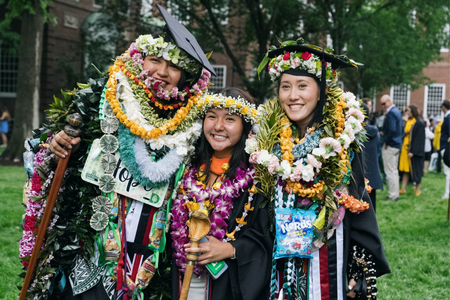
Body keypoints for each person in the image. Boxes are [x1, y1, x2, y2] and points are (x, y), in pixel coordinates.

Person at [20, 5, 215, 299]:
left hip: (150, 245)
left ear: (185, 76)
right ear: (139, 60)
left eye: (173, 66)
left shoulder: (195, 121)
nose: (162, 72)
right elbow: (51, 144)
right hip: (89, 236)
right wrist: (56, 142)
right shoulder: (104, 96)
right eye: (154, 60)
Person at [251, 39, 390, 300]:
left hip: (330, 259)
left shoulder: (342, 141)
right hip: (280, 260)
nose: (293, 96)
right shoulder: (267, 142)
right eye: (285, 87)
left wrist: (359, 267)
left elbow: (358, 202)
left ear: (321, 90)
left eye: (302, 86)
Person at [170, 88, 272, 300]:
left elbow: (266, 240)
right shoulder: (185, 171)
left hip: (226, 288)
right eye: (211, 117)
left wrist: (231, 249)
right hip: (182, 281)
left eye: (230, 119)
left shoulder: (257, 181)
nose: (218, 126)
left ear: (245, 126)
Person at [380, 94, 403, 201]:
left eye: (384, 104)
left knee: (390, 171)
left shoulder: (391, 113)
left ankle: (392, 195)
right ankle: (395, 194)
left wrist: (386, 141)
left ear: (389, 101)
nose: (383, 106)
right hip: (397, 144)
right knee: (394, 170)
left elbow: (392, 129)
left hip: (391, 144)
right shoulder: (397, 111)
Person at [399, 105, 425, 196]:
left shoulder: (419, 123)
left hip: (413, 150)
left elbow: (419, 139)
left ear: (413, 112)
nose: (407, 112)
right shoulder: (409, 121)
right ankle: (403, 188)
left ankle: (418, 190)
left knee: (416, 170)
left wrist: (413, 151)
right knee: (406, 170)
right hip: (405, 148)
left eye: (409, 111)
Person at [361, 102, 382, 212]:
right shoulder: (375, 131)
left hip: (360, 175)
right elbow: (379, 149)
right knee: (372, 208)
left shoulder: (354, 134)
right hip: (372, 173)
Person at [440, 99, 450, 198]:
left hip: (447, 147)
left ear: (443, 107)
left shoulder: (449, 117)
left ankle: (447, 193)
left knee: (448, 172)